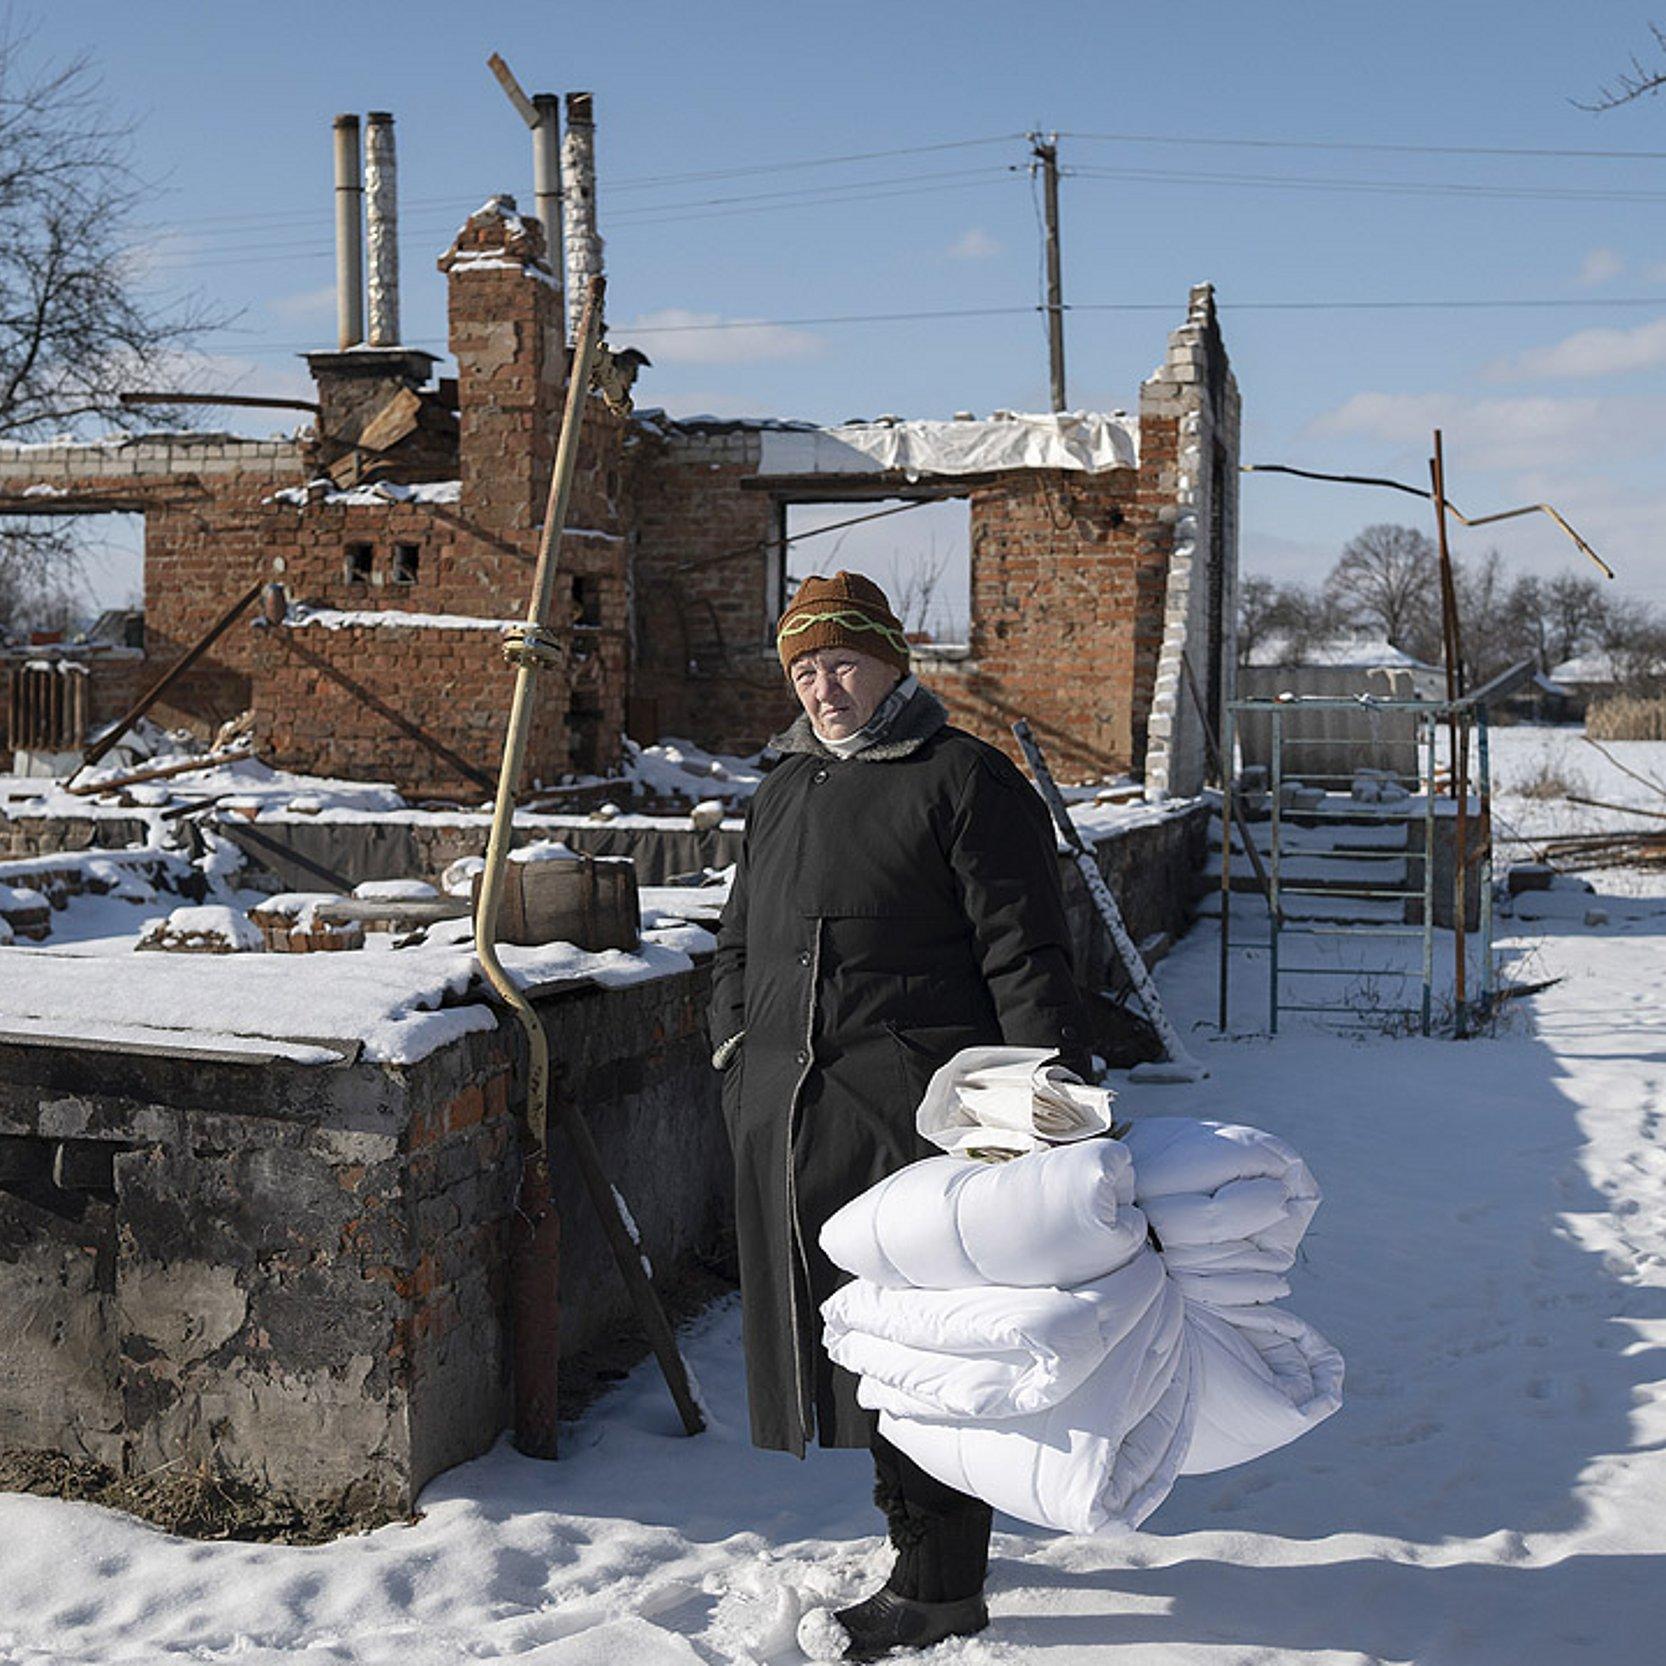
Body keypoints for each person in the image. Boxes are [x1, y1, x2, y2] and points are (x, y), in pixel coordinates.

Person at [709, 571, 1090, 1660]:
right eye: (803, 669)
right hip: (793, 1113)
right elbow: (737, 940)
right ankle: (917, 1548)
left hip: (919, 1121)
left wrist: (1039, 1110)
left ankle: (935, 1583)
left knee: (921, 1351)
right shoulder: (782, 785)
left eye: (841, 663)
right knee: (853, 1347)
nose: (823, 688)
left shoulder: (963, 779)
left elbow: (1026, 953)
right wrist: (734, 1048)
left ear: (890, 662)